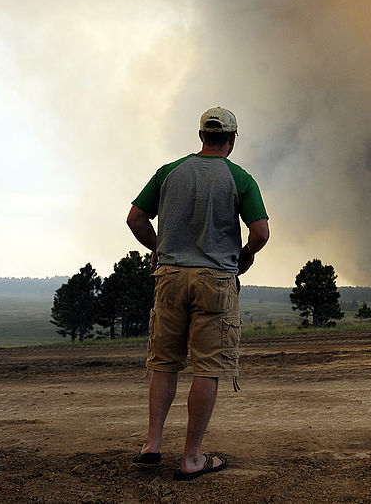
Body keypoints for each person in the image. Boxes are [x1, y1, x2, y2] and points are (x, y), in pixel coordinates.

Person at [126, 106, 269, 480]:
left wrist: (157, 247)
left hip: (170, 277)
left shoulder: (169, 173)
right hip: (215, 281)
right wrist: (246, 255)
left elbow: (135, 219)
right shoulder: (240, 179)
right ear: (232, 139)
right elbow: (261, 233)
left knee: (164, 361)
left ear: (201, 136)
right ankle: (191, 458)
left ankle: (152, 444)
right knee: (207, 367)